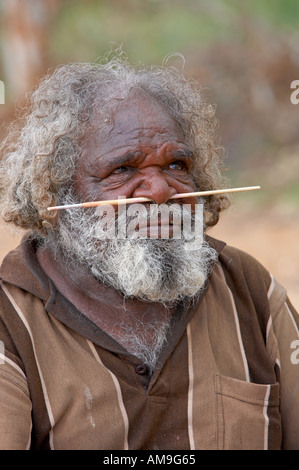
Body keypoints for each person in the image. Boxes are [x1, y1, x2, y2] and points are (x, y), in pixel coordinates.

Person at [0, 54, 298, 451]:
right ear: (57, 194)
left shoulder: (249, 289)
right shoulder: (10, 320)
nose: (160, 192)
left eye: (177, 164)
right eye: (122, 169)